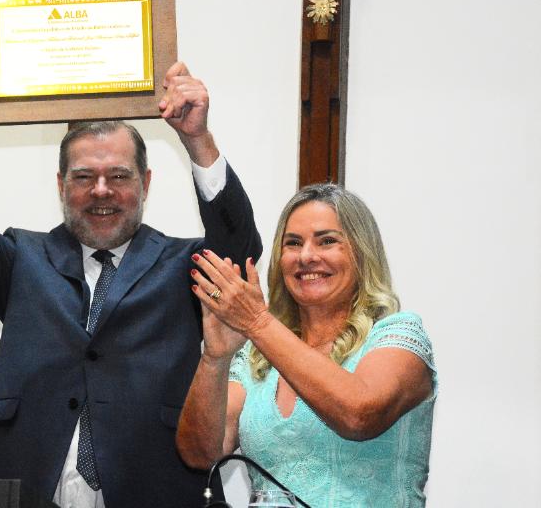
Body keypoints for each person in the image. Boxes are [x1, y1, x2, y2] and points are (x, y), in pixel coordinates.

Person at [0, 17, 262, 508]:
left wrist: (197, 139)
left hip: (153, 489)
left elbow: (240, 249)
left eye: (119, 176)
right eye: (84, 177)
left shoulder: (183, 265)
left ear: (146, 183)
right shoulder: (23, 259)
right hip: (25, 487)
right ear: (61, 185)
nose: (102, 191)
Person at [178, 183, 437, 506]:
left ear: (361, 252)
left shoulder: (398, 335)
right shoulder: (256, 356)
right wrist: (215, 358)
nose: (306, 256)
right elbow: (201, 454)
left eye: (327, 241)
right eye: (293, 243)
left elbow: (359, 415)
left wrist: (258, 322)